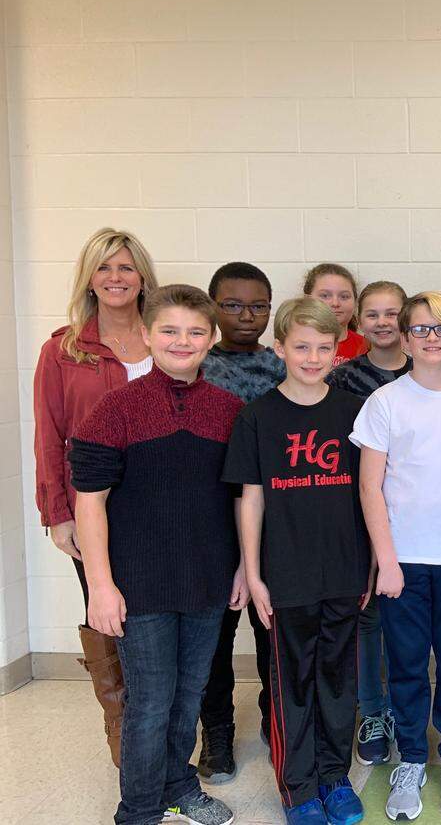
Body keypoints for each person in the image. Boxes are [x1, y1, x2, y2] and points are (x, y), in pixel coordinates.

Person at [70, 284, 243, 825]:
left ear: (211, 338)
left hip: (207, 581)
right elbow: (89, 504)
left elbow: (241, 499)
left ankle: (178, 786)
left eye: (195, 331)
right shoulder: (115, 409)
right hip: (139, 586)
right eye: (169, 330)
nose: (182, 341)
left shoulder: (230, 410)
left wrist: (240, 567)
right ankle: (139, 810)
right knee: (148, 703)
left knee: (188, 695)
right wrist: (101, 586)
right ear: (146, 335)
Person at [223, 297, 371, 825]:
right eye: (301, 347)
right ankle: (299, 787)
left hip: (345, 570)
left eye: (324, 348)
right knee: (292, 685)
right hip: (286, 576)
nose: (312, 357)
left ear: (338, 351)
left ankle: (334, 777)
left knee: (337, 680)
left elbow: (371, 495)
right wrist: (253, 572)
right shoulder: (258, 416)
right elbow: (252, 497)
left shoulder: (354, 413)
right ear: (279, 347)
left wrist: (372, 562)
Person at [351, 292, 441, 822]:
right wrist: (385, 560)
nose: (431, 338)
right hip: (404, 562)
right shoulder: (385, 402)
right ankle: (412, 757)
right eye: (420, 329)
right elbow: (371, 488)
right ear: (405, 337)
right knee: (409, 667)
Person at [33, 226, 159, 768]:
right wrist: (56, 513)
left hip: (163, 507)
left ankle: (169, 741)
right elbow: (48, 433)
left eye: (126, 267)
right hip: (94, 510)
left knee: (161, 621)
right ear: (89, 277)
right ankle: (125, 744)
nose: (115, 278)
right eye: (104, 267)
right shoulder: (62, 350)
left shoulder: (168, 334)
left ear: (142, 278)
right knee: (109, 619)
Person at [197, 262, 286, 783]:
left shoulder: (283, 369)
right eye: (232, 304)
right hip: (211, 522)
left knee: (274, 632)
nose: (246, 315)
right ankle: (218, 733)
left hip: (275, 522)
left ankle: (278, 723)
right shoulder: (198, 368)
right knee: (215, 639)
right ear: (213, 307)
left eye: (257, 305)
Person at [327, 280, 411, 768]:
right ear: (358, 322)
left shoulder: (427, 370)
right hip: (361, 515)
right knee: (369, 619)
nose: (383, 322)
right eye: (373, 314)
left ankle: (403, 708)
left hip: (416, 520)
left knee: (407, 620)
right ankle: (373, 711)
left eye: (392, 313)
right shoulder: (344, 380)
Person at [303, 262, 366, 366]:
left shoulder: (367, 348)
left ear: (355, 301)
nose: (335, 303)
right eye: (325, 295)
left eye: (344, 296)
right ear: (307, 300)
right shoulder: (295, 347)